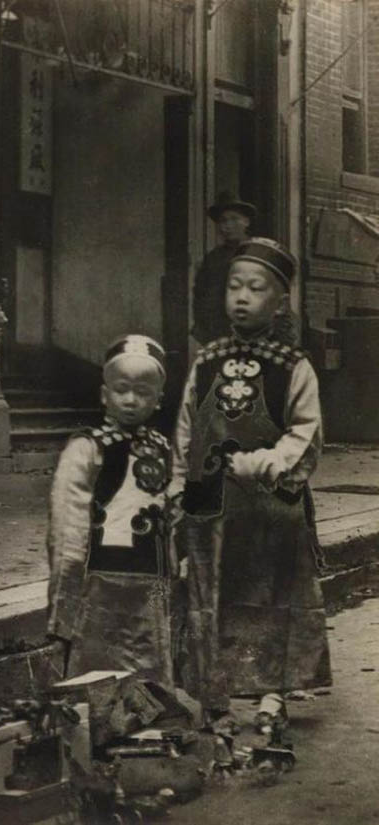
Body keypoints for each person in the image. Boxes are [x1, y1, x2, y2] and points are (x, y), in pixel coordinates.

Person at [168, 237, 332, 729]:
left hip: (268, 501)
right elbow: (184, 426)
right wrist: (179, 482)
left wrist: (264, 463)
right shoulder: (207, 360)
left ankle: (274, 690)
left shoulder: (293, 365)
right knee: (211, 589)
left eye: (255, 288)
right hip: (210, 496)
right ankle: (212, 690)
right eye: (234, 286)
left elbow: (307, 433)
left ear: (279, 300)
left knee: (271, 591)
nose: (241, 296)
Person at [47, 335, 176, 687]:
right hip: (100, 584)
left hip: (152, 582)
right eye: (122, 389)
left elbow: (173, 517)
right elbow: (67, 529)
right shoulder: (87, 449)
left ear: (158, 400)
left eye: (144, 391)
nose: (132, 400)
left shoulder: (163, 451)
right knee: (98, 683)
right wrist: (63, 607)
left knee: (151, 681)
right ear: (105, 395)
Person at [191, 191, 255, 345]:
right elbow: (200, 295)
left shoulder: (257, 252)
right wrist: (204, 330)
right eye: (223, 221)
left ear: (246, 221)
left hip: (250, 333)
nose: (228, 226)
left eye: (234, 219)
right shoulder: (213, 258)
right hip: (217, 334)